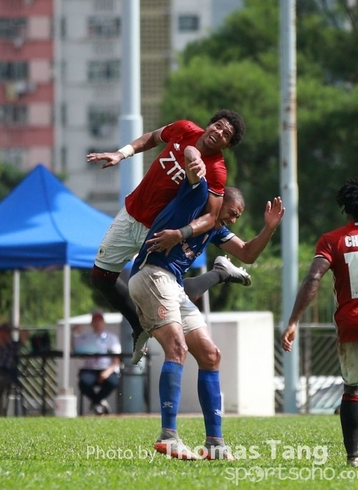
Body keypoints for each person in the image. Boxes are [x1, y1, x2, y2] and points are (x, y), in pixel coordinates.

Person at [128, 145, 284, 460]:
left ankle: (215, 443)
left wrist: (268, 228)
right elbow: (188, 150)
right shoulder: (195, 199)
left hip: (172, 285)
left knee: (211, 355)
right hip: (151, 274)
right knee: (177, 349)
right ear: (220, 201)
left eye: (238, 217)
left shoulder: (215, 230)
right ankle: (168, 436)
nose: (234, 220)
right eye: (233, 213)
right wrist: (195, 159)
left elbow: (248, 254)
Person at [87, 110, 245, 347]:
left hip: (159, 233)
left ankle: (218, 277)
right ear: (210, 124)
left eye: (226, 135)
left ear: (228, 145)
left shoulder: (217, 170)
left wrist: (181, 234)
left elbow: (212, 217)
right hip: (131, 215)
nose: (219, 132)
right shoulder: (184, 129)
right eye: (219, 126)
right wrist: (121, 154)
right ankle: (139, 325)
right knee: (100, 279)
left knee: (168, 294)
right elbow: (152, 137)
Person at [281, 177, 358, 469]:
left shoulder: (332, 240)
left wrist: (294, 321)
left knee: (351, 388)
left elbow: (313, 278)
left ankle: (353, 458)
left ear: (345, 208)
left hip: (349, 325)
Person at [72, 311, 121, 415]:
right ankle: (99, 402)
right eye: (95, 320)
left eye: (99, 320)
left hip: (107, 368)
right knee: (83, 382)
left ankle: (96, 402)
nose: (97, 323)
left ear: (104, 322)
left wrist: (107, 372)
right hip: (91, 369)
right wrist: (75, 333)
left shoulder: (111, 338)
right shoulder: (86, 337)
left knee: (113, 382)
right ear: (91, 323)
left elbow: (116, 359)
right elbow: (78, 350)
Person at [0, 322, 28, 416]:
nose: (2, 335)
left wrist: (13, 328)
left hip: (4, 373)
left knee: (0, 381)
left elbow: (25, 334)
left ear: (8, 334)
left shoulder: (12, 346)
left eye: (4, 333)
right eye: (0, 333)